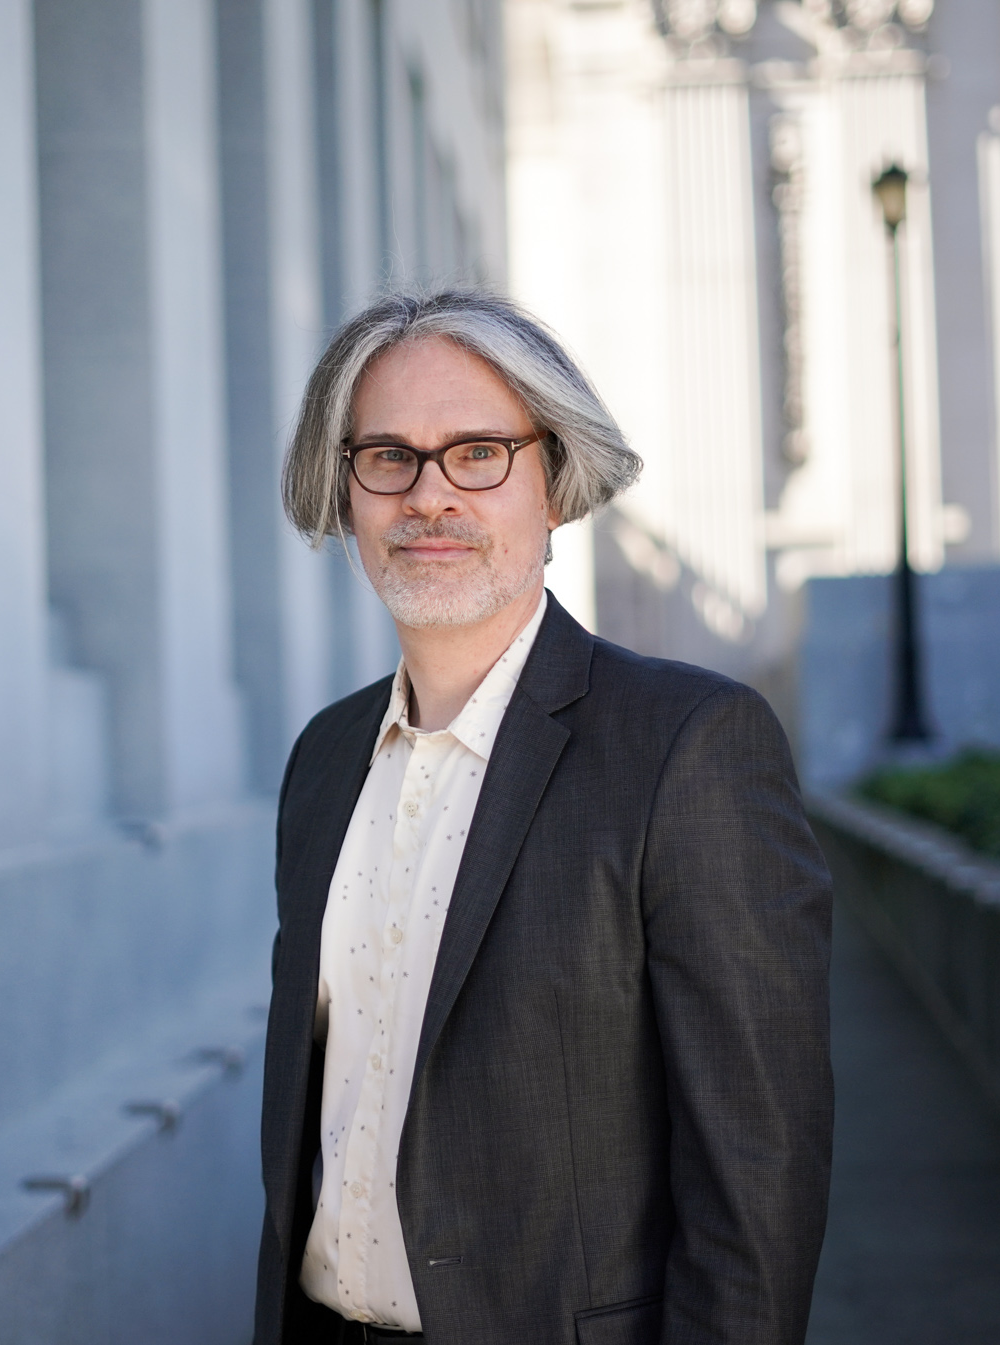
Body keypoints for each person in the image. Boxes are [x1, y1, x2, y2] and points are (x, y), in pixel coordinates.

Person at [255, 290, 833, 1345]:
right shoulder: (323, 762)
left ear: (554, 484)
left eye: (478, 453)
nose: (430, 496)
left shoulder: (688, 747)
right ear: (345, 493)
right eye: (388, 456)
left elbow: (758, 1168)